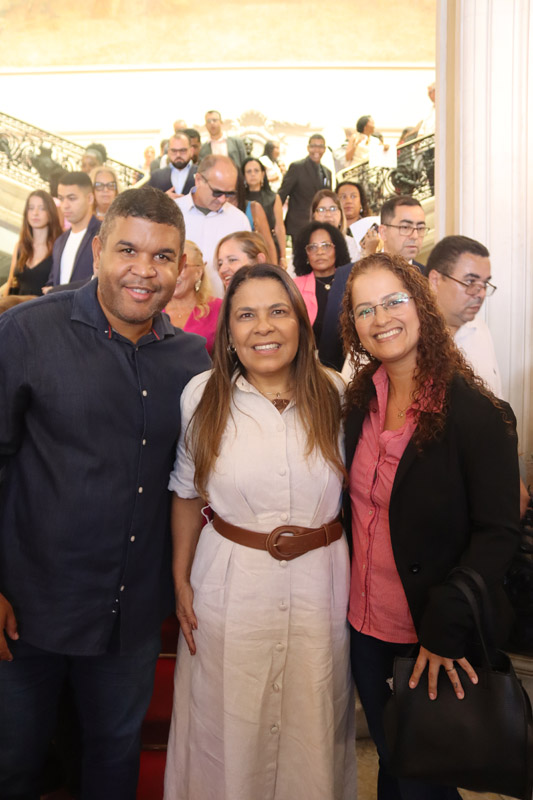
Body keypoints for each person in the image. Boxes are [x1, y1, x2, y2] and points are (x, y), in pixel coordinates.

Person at [0, 185, 211, 799]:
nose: (144, 271)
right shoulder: (25, 333)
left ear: (181, 267)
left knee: (113, 764)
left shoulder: (192, 359)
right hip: (28, 612)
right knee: (13, 766)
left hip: (131, 616)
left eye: (163, 257)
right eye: (128, 250)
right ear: (97, 250)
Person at [163, 262, 356, 800]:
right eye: (245, 315)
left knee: (312, 727)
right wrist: (180, 578)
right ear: (229, 332)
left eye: (277, 312)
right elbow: (186, 492)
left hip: (321, 586)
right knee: (226, 730)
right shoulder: (201, 396)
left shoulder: (337, 394)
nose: (263, 327)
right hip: (229, 588)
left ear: (300, 321)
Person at [340, 252, 520, 800]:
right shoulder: (358, 402)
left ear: (420, 304)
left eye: (394, 300)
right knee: (395, 764)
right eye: (364, 309)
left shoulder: (476, 414)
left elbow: (499, 533)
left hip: (431, 636)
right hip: (364, 628)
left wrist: (446, 628)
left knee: (425, 780)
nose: (381, 318)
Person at [426, 235, 501, 396]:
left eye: (484, 284)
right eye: (470, 282)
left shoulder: (480, 328)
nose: (480, 293)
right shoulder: (407, 338)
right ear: (435, 280)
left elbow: (496, 398)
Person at [175, 155, 251, 298]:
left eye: (229, 194)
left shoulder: (239, 220)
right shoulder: (173, 213)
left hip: (223, 308)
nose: (222, 199)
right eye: (217, 192)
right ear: (198, 180)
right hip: (175, 310)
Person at [292, 221, 351, 360]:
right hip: (311, 361)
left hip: (350, 360)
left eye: (326, 246)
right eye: (312, 247)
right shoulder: (295, 287)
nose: (319, 252)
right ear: (305, 253)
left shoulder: (350, 280)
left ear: (337, 249)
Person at [45, 171, 101, 289]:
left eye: (71, 198)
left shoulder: (103, 234)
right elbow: (53, 281)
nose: (65, 205)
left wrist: (55, 291)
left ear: (90, 198)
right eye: (61, 198)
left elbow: (101, 279)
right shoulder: (60, 241)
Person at [164, 240, 222, 354]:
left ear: (198, 272)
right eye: (170, 265)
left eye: (183, 266)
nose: (174, 273)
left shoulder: (219, 308)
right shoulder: (153, 309)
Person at [2, 189, 62, 297]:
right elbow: (10, 281)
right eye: (31, 208)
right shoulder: (21, 246)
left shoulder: (59, 248)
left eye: (42, 208)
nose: (35, 213)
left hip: (41, 310)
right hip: (15, 309)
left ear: (51, 212)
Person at [278, 134, 332, 242]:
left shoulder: (327, 172)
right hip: (299, 224)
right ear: (308, 148)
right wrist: (275, 220)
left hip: (320, 225)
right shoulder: (297, 167)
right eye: (313, 146)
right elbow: (282, 194)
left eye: (320, 146)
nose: (317, 150)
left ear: (324, 149)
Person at [242, 157, 286, 266]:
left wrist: (283, 256)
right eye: (249, 171)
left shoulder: (273, 198)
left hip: (269, 246)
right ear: (243, 176)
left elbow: (279, 227)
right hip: (245, 247)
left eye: (256, 171)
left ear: (262, 174)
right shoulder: (239, 199)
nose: (253, 174)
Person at [231, 170, 278, 264]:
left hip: (252, 266)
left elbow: (268, 243)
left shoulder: (253, 208)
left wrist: (274, 271)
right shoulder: (215, 210)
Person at [378, 195, 427, 271]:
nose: (415, 236)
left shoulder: (428, 278)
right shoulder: (358, 273)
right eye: (405, 227)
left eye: (420, 228)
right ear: (383, 232)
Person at [311, 188, 359, 261]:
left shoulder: (351, 244)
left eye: (333, 209)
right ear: (314, 216)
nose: (328, 214)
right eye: (321, 210)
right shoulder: (305, 244)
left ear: (341, 215)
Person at [147, 133, 197, 197]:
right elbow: (147, 203)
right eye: (174, 151)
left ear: (191, 151)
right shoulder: (156, 176)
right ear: (168, 152)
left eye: (183, 150)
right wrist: (164, 200)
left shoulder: (202, 174)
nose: (178, 155)